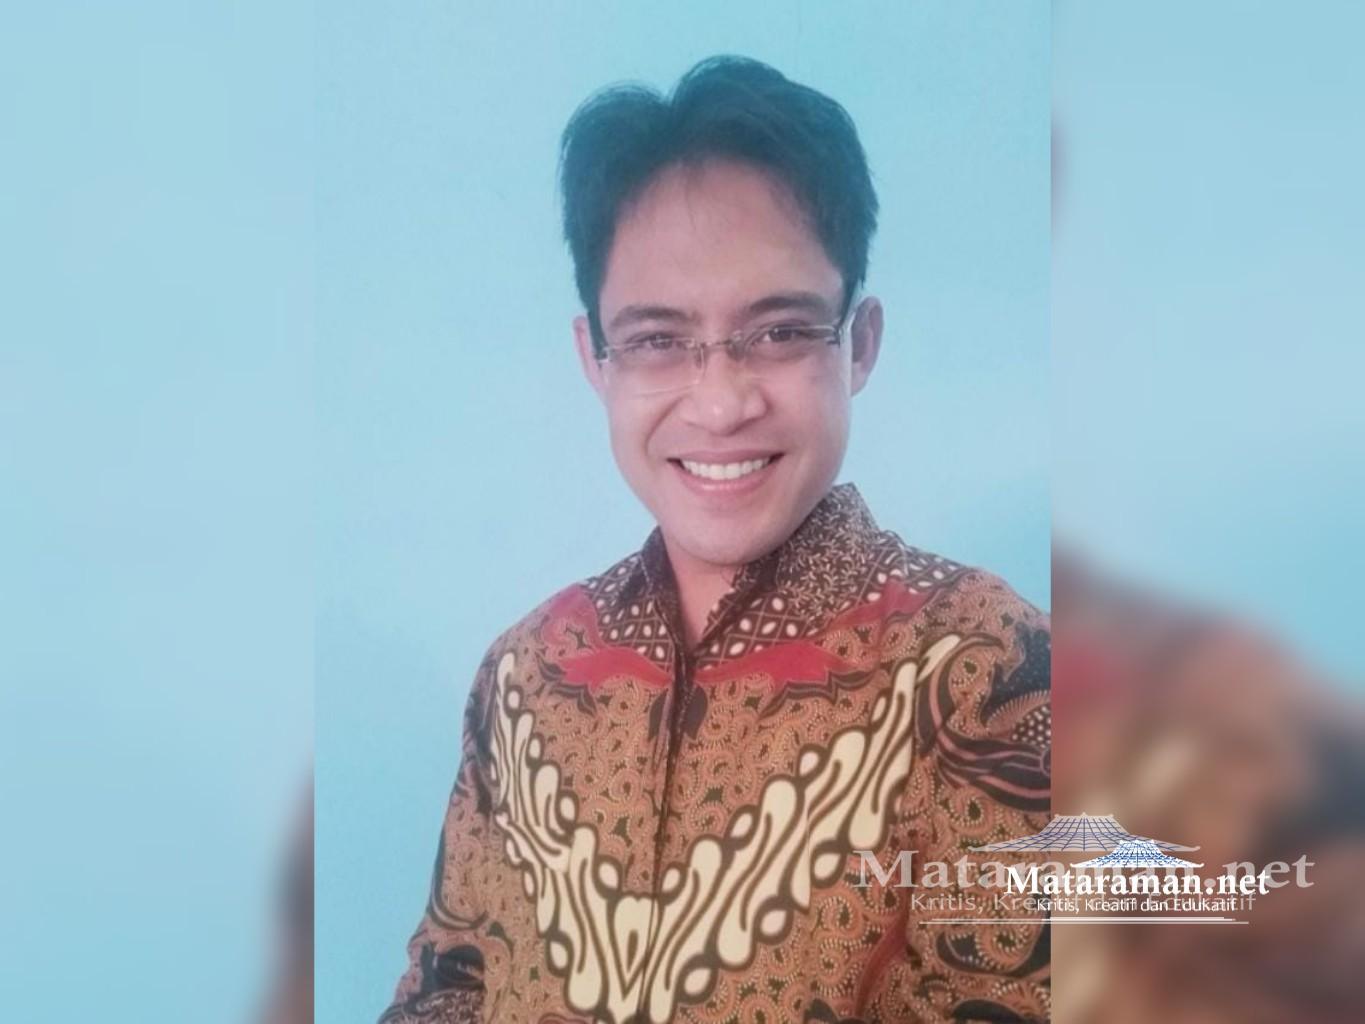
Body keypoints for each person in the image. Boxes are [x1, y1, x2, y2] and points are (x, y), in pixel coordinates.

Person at [380, 56, 1050, 1024]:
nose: (722, 401)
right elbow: (447, 986)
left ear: (859, 343)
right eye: (657, 340)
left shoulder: (988, 669)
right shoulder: (524, 674)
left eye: (778, 332)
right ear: (596, 360)